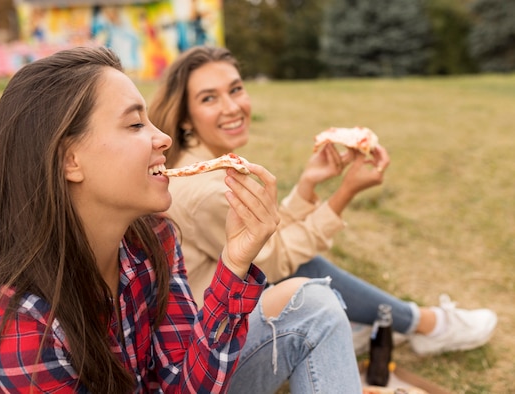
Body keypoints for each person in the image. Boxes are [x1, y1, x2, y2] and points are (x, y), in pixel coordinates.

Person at [0, 46, 285, 393]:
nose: (163, 138)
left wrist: (234, 262)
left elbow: (181, 386)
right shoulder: (24, 330)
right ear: (70, 160)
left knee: (312, 303)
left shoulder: (154, 241)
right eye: (136, 123)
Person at [148, 45, 498, 367]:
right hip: (206, 351)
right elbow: (276, 262)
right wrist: (343, 194)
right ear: (185, 118)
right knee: (307, 272)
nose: (232, 106)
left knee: (307, 270)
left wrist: (308, 184)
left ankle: (393, 321)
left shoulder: (201, 164)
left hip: (212, 317)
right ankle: (424, 323)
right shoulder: (208, 189)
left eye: (236, 89)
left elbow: (266, 240)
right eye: (209, 98)